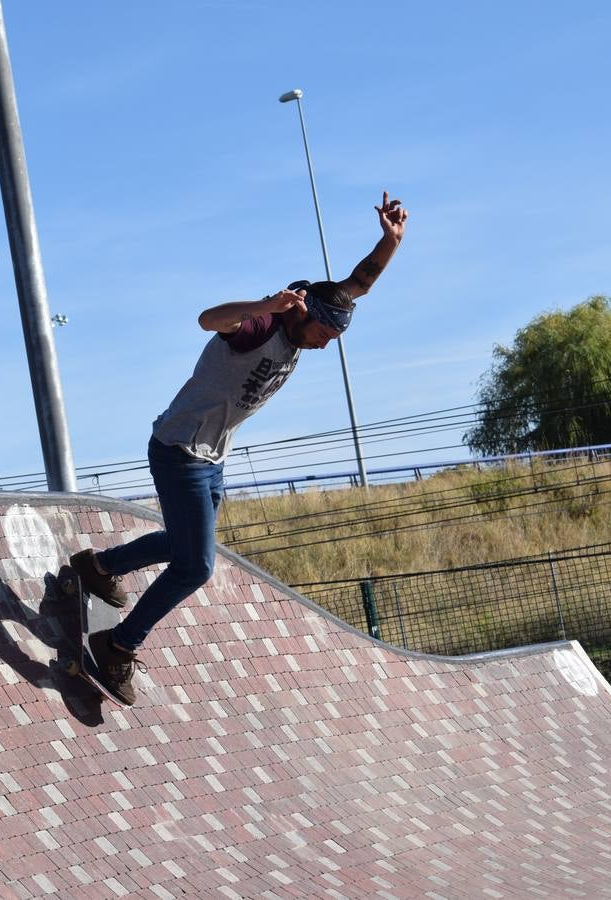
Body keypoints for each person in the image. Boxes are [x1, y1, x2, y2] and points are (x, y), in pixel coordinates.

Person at [68, 192, 409, 704]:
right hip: (179, 448)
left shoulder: (322, 305)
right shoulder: (264, 326)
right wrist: (263, 304)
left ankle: (99, 567)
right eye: (321, 336)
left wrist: (390, 242)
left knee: (186, 543)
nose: (320, 346)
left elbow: (358, 283)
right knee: (196, 566)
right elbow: (208, 318)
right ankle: (118, 645)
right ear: (302, 315)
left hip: (212, 458)